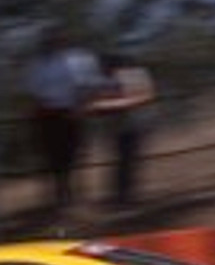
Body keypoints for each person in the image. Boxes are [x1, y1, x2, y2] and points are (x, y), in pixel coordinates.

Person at [24, 30, 102, 209]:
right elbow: (33, 93)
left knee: (72, 154)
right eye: (47, 40)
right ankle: (57, 196)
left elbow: (83, 86)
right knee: (51, 156)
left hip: (69, 112)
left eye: (54, 40)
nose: (50, 43)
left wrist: (80, 108)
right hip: (46, 114)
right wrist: (34, 114)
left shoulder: (73, 60)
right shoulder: (36, 64)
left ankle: (74, 194)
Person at [87, 52, 157, 206]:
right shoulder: (103, 80)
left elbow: (146, 96)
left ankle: (127, 195)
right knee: (121, 160)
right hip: (118, 127)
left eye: (102, 66)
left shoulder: (135, 74)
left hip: (136, 123)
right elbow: (96, 103)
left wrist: (118, 103)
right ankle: (121, 194)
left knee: (129, 159)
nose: (101, 69)